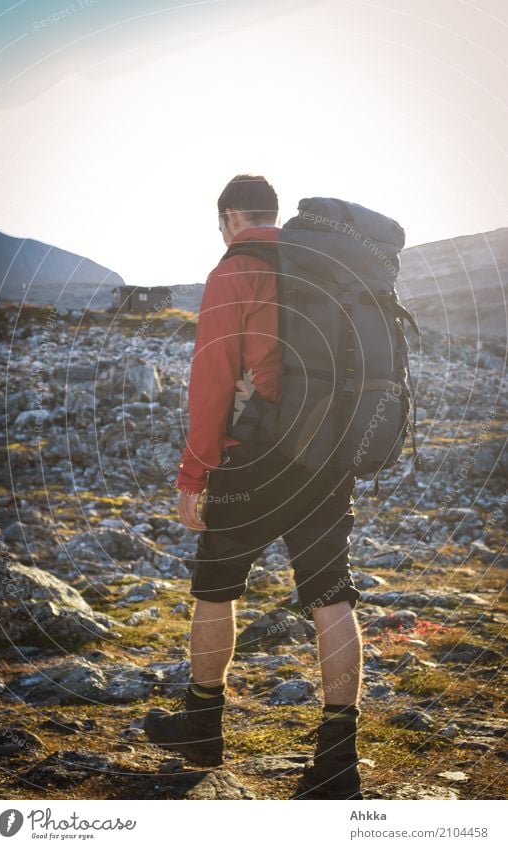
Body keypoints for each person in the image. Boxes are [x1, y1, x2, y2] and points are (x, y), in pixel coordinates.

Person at [143, 175, 363, 800]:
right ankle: (339, 755)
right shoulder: (326, 268)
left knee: (216, 587)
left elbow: (212, 382)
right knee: (330, 591)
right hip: (328, 450)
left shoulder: (235, 268)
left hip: (258, 455)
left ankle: (202, 728)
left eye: (220, 226)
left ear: (231, 218)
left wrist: (193, 475)